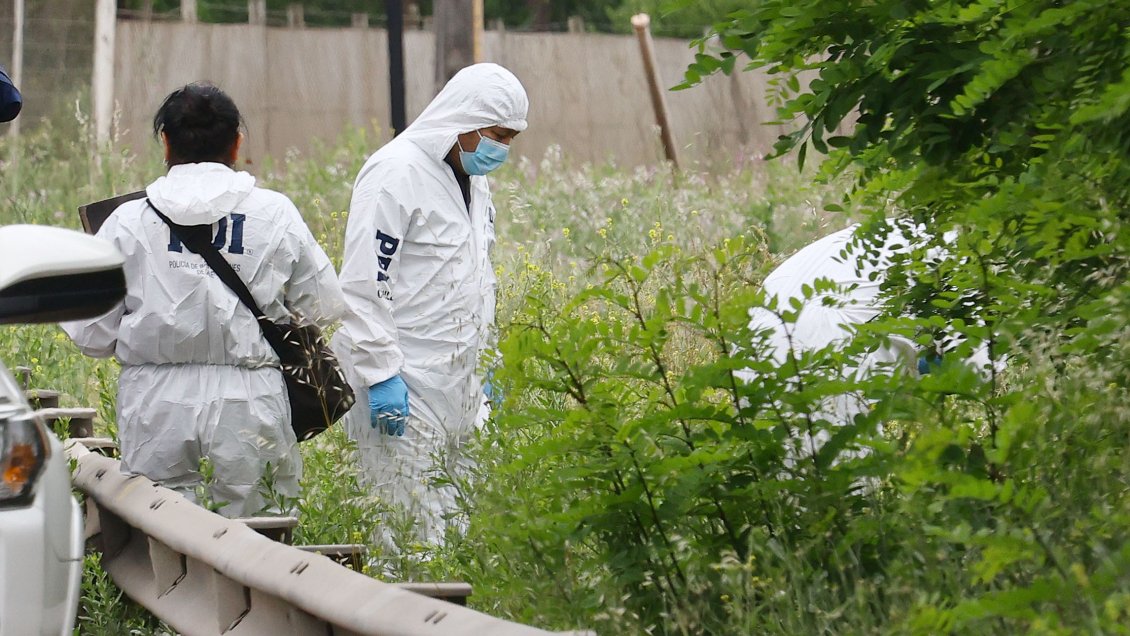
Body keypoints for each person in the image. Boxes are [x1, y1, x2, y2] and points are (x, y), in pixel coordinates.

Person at [62, 83, 344, 518]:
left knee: (160, 527)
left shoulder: (126, 222)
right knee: (259, 536)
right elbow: (322, 305)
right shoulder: (275, 213)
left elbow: (91, 333)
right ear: (237, 142)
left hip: (156, 402)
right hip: (251, 398)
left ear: (166, 141)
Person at [332, 63, 529, 551]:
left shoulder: (470, 181)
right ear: (462, 120)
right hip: (407, 385)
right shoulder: (394, 172)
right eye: (496, 135)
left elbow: (476, 279)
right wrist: (380, 374)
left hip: (460, 387)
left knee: (458, 532)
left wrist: (490, 363)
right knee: (405, 531)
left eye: (510, 138)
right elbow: (363, 282)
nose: (501, 149)